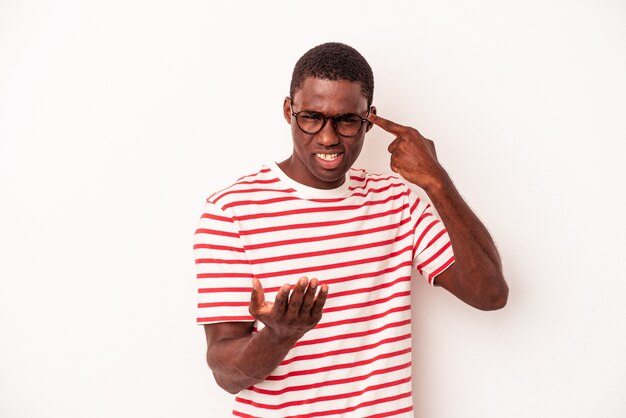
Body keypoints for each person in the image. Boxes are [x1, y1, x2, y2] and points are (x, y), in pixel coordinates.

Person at [193, 42, 508, 417]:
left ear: (368, 119)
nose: (328, 138)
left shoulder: (396, 201)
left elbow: (490, 294)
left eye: (346, 120)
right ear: (287, 112)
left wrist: (437, 183)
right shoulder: (231, 211)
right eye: (311, 117)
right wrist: (280, 336)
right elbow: (225, 374)